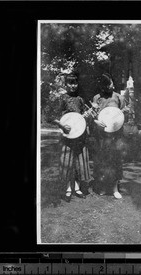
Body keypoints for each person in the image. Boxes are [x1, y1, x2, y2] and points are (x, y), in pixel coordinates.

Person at [46, 72, 91, 202]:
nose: (73, 85)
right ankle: (67, 189)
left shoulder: (80, 99)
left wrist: (87, 118)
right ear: (66, 84)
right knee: (67, 162)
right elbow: (49, 116)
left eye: (75, 83)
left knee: (79, 162)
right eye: (70, 83)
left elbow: (82, 118)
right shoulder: (62, 99)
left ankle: (76, 187)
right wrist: (62, 125)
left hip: (80, 136)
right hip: (67, 136)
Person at [92, 73, 127, 199]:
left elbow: (123, 117)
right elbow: (94, 116)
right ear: (102, 87)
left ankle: (114, 188)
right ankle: (102, 186)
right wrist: (96, 122)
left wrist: (125, 113)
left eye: (110, 84)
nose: (109, 88)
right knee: (102, 160)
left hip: (116, 135)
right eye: (106, 87)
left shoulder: (119, 97)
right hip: (101, 135)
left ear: (113, 82)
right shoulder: (97, 98)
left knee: (115, 160)